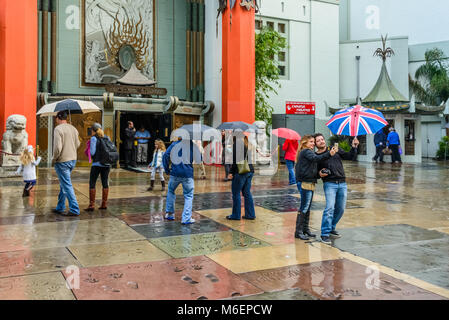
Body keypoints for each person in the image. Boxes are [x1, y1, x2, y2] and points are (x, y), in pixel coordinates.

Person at [315, 134, 359, 244]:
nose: (321, 141)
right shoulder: (316, 156)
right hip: (330, 184)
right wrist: (319, 174)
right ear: (315, 144)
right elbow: (314, 172)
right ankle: (324, 233)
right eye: (318, 140)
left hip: (342, 182)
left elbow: (350, 157)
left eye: (322, 139)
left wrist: (354, 147)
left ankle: (331, 228)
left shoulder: (334, 149)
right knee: (329, 208)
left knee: (340, 209)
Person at [294, 135, 336, 240]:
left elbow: (310, 168)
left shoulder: (306, 152)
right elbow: (316, 158)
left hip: (309, 182)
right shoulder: (306, 151)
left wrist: (318, 174)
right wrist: (329, 154)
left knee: (307, 207)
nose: (313, 144)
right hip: (306, 183)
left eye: (313, 142)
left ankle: (305, 229)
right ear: (305, 143)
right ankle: (298, 231)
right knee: (304, 207)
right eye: (311, 142)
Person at [163, 137, 201, 224]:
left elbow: (165, 155)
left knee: (171, 191)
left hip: (175, 173)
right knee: (188, 195)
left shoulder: (174, 144)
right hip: (187, 174)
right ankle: (186, 218)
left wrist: (167, 169)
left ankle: (170, 214)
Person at [52, 111, 81, 216]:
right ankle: (60, 206)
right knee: (63, 183)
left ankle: (74, 209)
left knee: (66, 185)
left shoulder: (58, 129)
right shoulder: (73, 128)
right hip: (72, 159)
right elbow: (78, 144)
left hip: (62, 161)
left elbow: (57, 148)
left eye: (56, 118)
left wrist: (54, 159)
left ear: (58, 118)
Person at [226, 135, 256, 220]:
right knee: (247, 193)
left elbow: (236, 161)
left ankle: (236, 215)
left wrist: (231, 172)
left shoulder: (237, 144)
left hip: (241, 171)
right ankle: (250, 214)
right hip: (250, 170)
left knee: (236, 193)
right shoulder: (247, 143)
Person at [85, 123, 111, 212]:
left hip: (96, 164)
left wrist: (88, 148)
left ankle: (91, 205)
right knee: (105, 183)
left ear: (93, 130)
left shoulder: (93, 138)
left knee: (92, 183)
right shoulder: (107, 137)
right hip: (107, 165)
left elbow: (92, 153)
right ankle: (104, 204)